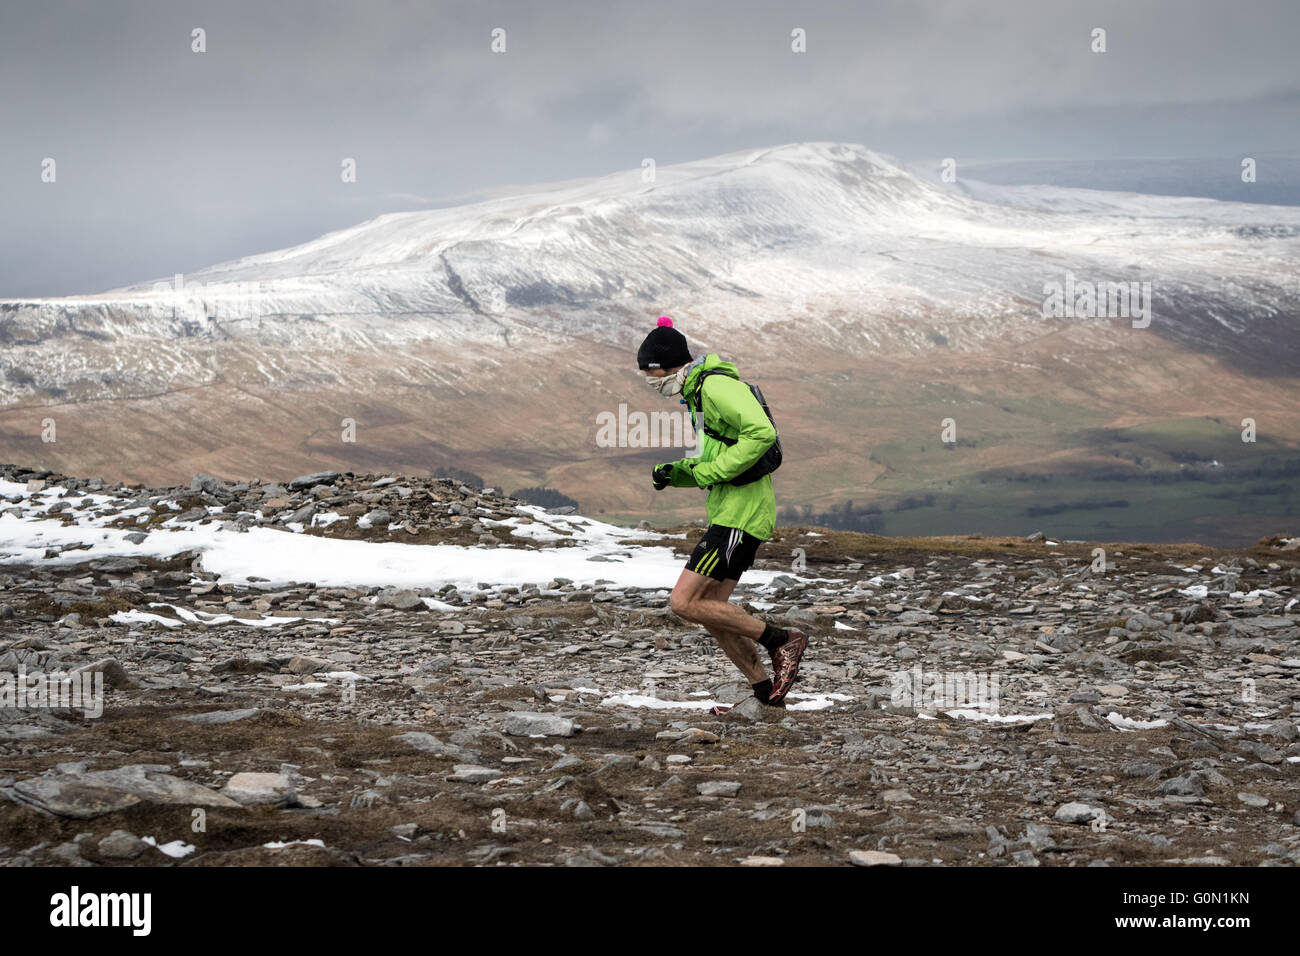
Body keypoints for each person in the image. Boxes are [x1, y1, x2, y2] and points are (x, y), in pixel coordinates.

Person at [637, 315, 808, 709]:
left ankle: (784, 640)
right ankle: (766, 696)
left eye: (652, 373)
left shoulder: (715, 386)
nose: (651, 382)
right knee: (713, 614)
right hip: (731, 512)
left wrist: (711, 471)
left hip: (740, 516)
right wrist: (674, 474)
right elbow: (709, 463)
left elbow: (761, 433)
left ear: (666, 365)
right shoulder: (697, 396)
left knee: (683, 602)